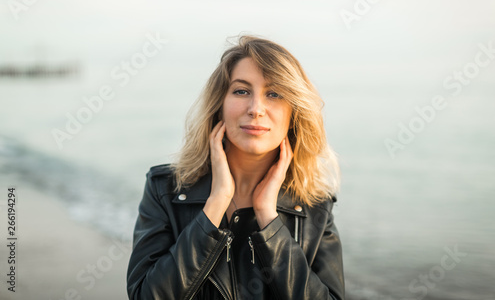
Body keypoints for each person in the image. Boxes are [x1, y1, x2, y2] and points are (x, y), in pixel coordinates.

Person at [127, 35, 345, 299]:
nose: (256, 109)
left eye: (274, 94)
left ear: (293, 115)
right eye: (241, 91)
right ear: (219, 105)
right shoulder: (165, 190)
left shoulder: (314, 207)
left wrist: (268, 218)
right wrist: (216, 204)